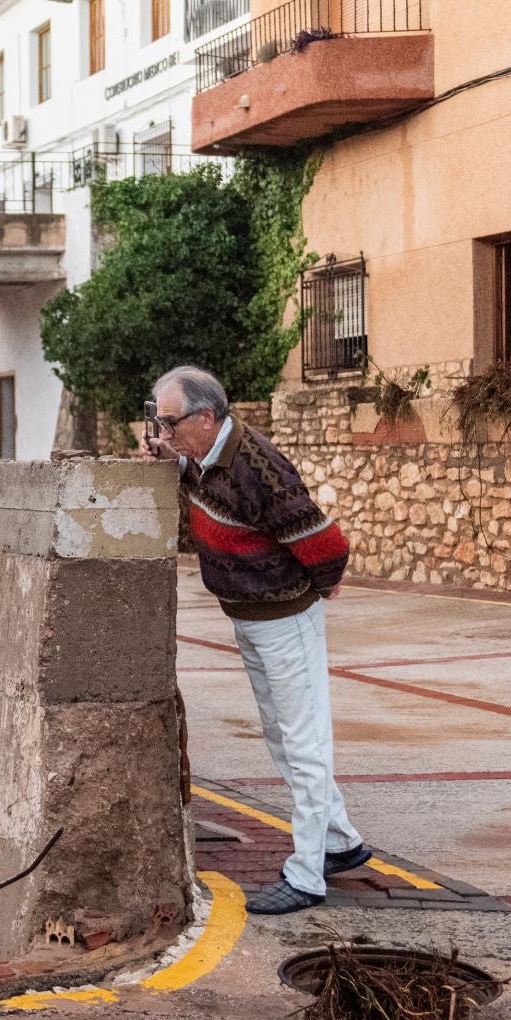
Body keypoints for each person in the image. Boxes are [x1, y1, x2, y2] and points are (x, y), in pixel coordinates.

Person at [143, 365, 368, 915]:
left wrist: (321, 586)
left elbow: (325, 543)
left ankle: (307, 874)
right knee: (280, 733)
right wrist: (168, 457)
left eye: (169, 423)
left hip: (284, 618)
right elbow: (194, 480)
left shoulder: (258, 466)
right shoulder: (202, 459)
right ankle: (340, 842)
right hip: (250, 616)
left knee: (304, 741)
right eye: (158, 422)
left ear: (205, 417)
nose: (162, 432)